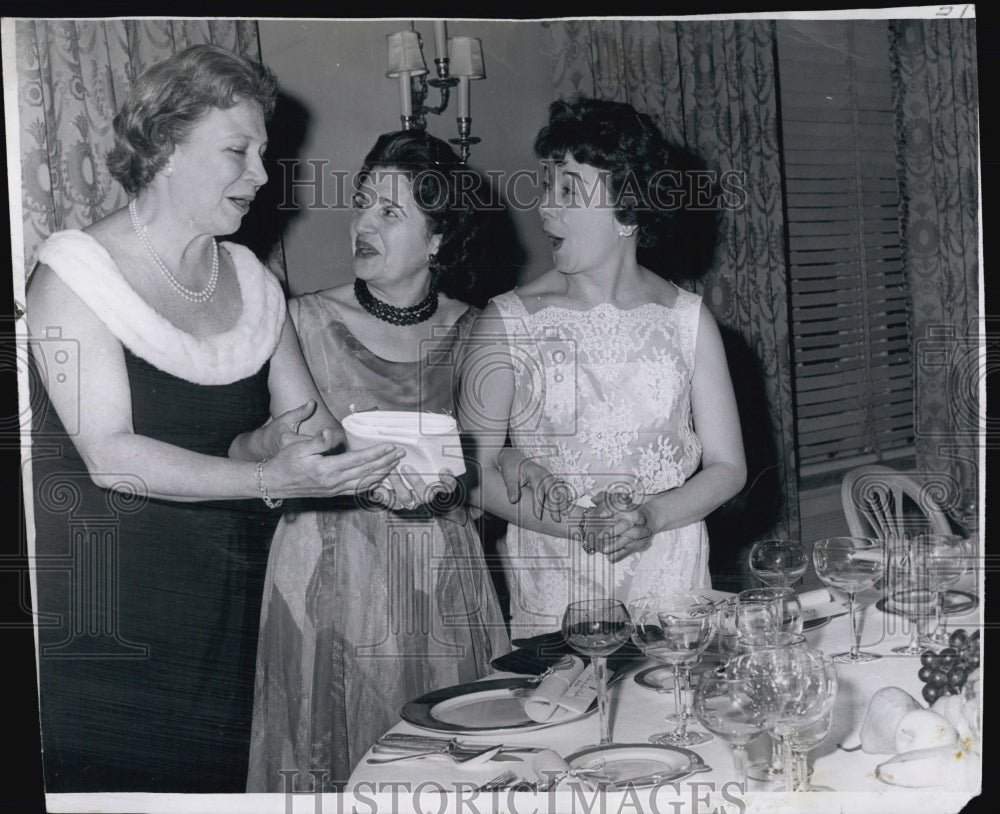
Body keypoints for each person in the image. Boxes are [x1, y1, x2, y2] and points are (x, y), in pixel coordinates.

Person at [25, 45, 404, 793]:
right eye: (238, 150)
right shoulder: (73, 274)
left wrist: (382, 462)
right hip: (114, 617)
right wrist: (267, 471)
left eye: (264, 152)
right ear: (166, 147)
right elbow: (110, 456)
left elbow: (305, 426)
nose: (263, 175)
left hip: (233, 603)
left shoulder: (252, 282)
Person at [246, 130, 511, 792]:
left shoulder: (481, 330)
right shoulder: (296, 319)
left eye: (389, 211)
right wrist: (280, 451)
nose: (362, 223)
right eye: (362, 203)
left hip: (439, 580)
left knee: (451, 773)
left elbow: (486, 474)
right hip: (325, 577)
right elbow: (245, 450)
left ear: (437, 239)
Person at [459, 98, 747, 638]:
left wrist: (653, 518)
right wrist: (578, 524)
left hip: (671, 582)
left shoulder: (688, 320)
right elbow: (472, 475)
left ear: (630, 209)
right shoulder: (507, 322)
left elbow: (729, 467)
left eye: (567, 189)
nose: (546, 208)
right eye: (546, 187)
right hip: (560, 590)